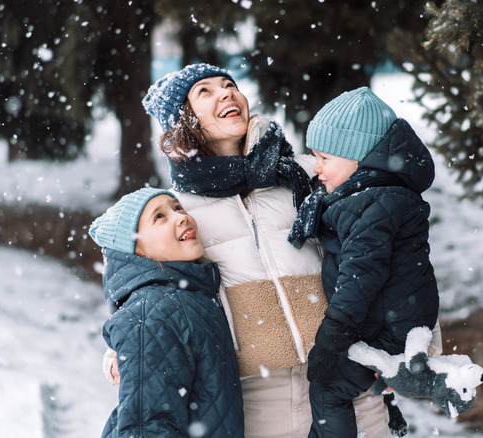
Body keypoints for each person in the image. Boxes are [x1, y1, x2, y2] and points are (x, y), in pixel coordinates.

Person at [106, 63, 442, 437]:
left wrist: (411, 348)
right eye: (205, 91)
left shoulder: (306, 175)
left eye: (230, 84)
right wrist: (123, 354)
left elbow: (392, 249)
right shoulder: (179, 210)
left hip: (346, 376)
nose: (226, 93)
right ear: (183, 120)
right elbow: (154, 292)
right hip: (260, 401)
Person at [287, 86, 441, 437]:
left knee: (327, 388)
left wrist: (334, 332)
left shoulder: (374, 203)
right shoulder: (378, 194)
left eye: (325, 158)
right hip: (395, 318)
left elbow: (362, 271)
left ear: (360, 157)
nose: (317, 168)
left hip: (388, 326)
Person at [89, 187, 244, 437]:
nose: (180, 216)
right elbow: (146, 425)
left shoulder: (189, 297)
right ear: (136, 251)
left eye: (177, 207)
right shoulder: (153, 311)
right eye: (159, 217)